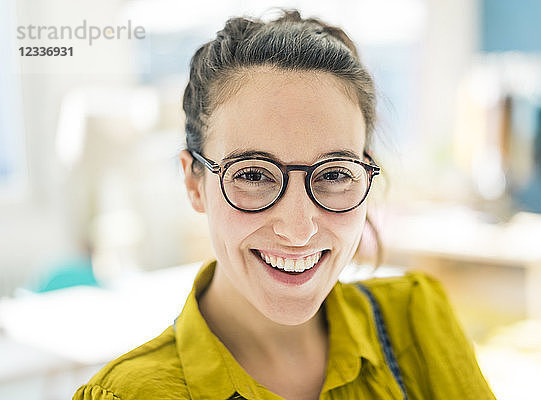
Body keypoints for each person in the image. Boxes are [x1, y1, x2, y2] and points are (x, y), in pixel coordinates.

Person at [73, 9, 496, 400]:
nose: (299, 230)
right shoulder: (128, 395)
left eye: (334, 174)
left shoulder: (419, 319)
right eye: (253, 175)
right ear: (194, 182)